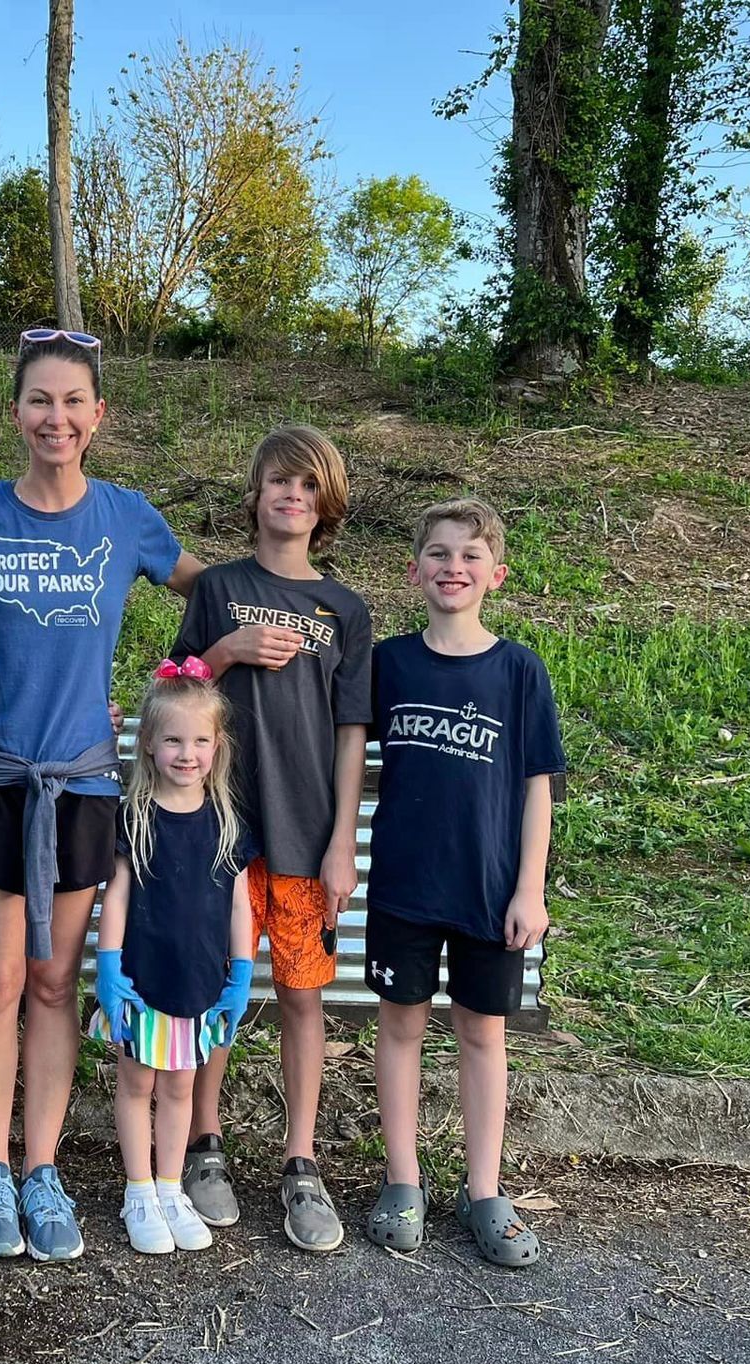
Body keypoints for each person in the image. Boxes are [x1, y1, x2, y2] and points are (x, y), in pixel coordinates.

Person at [0, 328, 206, 1263]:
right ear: (16, 413)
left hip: (80, 780)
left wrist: (219, 656)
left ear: (98, 417)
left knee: (53, 984)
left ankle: (44, 1172)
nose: (57, 417)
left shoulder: (125, 518)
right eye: (41, 399)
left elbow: (210, 591)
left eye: (74, 401)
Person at [168, 424, 372, 1254]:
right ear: (253, 497)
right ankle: (204, 1144)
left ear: (326, 507)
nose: (293, 496)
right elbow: (171, 694)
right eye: (279, 483)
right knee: (218, 987)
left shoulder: (346, 609)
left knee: (300, 994)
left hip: (305, 833)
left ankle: (301, 1159)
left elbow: (353, 731)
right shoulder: (217, 588)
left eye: (309, 487)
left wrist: (341, 843)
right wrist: (225, 649)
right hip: (219, 832)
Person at [361, 498, 565, 1269]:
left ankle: (484, 1189)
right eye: (440, 554)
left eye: (470, 556)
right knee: (402, 1026)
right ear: (415, 570)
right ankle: (403, 1181)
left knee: (483, 1032)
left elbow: (538, 784)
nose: (454, 567)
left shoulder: (518, 670)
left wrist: (530, 889)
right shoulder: (390, 662)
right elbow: (346, 751)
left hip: (489, 890)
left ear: (496, 575)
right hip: (405, 886)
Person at [88, 660, 256, 1254]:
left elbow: (239, 902)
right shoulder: (132, 817)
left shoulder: (228, 820)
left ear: (218, 745)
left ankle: (169, 1186)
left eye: (200, 741)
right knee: (137, 1083)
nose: (188, 754)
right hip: (143, 980)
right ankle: (138, 1189)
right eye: (174, 740)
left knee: (182, 1087)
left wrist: (241, 975)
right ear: (150, 745)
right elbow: (116, 897)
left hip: (202, 983)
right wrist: (108, 970)